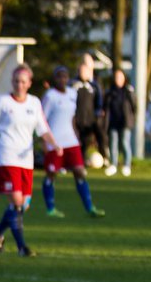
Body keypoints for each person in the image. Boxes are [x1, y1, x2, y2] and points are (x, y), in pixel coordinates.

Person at [0, 64, 60, 258]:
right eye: (16, 81)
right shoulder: (3, 102)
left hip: (25, 161)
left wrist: (56, 145)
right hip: (6, 157)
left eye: (23, 81)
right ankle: (22, 248)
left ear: (29, 84)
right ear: (12, 83)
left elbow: (42, 129)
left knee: (22, 205)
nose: (19, 85)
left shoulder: (34, 103)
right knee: (18, 202)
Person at [40, 65, 105, 218]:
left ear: (68, 78)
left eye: (64, 76)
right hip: (54, 141)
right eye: (59, 76)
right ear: (54, 78)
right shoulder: (50, 96)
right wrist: (44, 141)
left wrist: (77, 134)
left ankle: (90, 207)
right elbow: (41, 120)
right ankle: (50, 209)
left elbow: (73, 117)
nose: (62, 79)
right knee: (51, 173)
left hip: (71, 140)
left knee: (79, 171)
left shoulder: (71, 93)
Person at [102, 69, 135, 176]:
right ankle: (113, 164)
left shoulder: (128, 90)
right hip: (113, 122)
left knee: (125, 142)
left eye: (120, 77)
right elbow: (106, 107)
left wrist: (130, 118)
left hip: (125, 122)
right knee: (113, 144)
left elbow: (135, 106)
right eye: (116, 77)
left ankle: (127, 165)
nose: (118, 80)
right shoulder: (110, 92)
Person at [73, 56, 107, 160]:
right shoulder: (74, 84)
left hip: (90, 119)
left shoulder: (95, 85)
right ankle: (76, 161)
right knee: (76, 141)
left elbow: (99, 100)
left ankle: (105, 157)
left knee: (93, 138)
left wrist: (98, 112)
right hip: (76, 118)